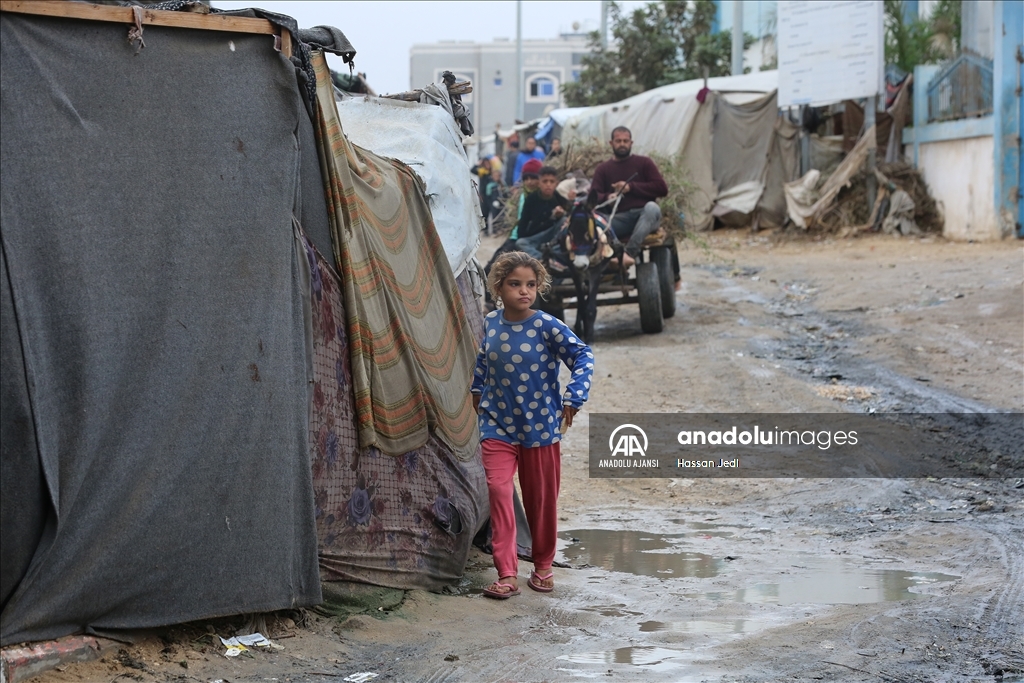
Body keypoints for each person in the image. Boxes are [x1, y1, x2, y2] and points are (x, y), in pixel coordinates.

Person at [471, 251, 594, 598]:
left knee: (541, 501)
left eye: (530, 284)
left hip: (540, 429)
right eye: (515, 284)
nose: (524, 291)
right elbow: (483, 364)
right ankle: (507, 573)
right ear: (499, 287)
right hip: (497, 425)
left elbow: (582, 354)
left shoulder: (546, 326)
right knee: (498, 488)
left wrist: (574, 396)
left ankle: (542, 566)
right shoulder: (491, 323)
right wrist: (477, 392)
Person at [590, 126, 676, 282]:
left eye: (625, 141)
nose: (622, 144)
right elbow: (593, 196)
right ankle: (605, 262)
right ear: (611, 143)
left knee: (652, 207)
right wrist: (609, 196)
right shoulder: (603, 169)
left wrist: (632, 187)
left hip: (644, 217)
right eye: (618, 141)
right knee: (595, 220)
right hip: (618, 219)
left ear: (631, 143)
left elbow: (661, 188)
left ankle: (629, 254)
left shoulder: (644, 163)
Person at [515, 167, 572, 260]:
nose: (548, 185)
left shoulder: (559, 198)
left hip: (553, 238)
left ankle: (549, 255)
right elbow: (523, 222)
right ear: (539, 183)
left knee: (564, 220)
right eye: (545, 181)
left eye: (551, 182)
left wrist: (559, 215)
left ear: (556, 183)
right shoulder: (531, 199)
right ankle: (543, 259)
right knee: (520, 243)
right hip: (536, 236)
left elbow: (571, 214)